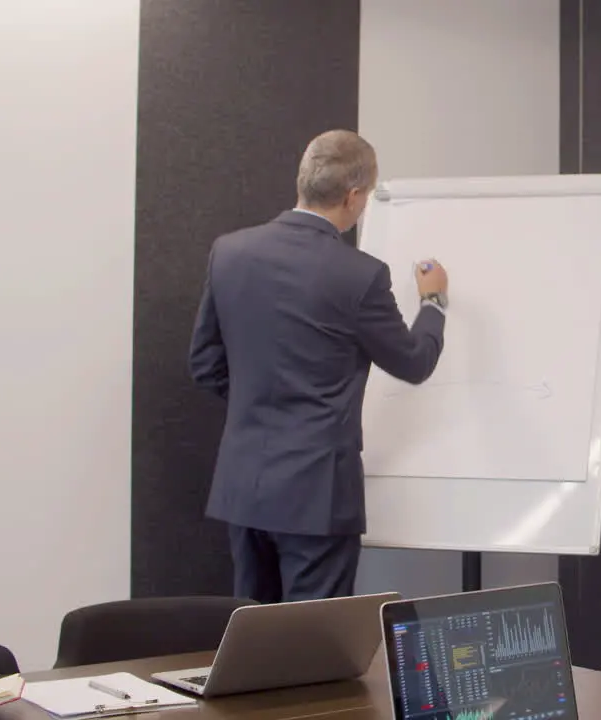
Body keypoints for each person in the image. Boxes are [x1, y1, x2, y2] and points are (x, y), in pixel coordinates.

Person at [188, 129, 448, 603]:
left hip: (245, 486)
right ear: (353, 197)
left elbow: (205, 363)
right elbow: (414, 362)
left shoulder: (230, 252)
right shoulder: (359, 275)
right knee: (311, 646)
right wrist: (434, 301)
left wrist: (262, 397)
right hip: (317, 495)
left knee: (254, 641)